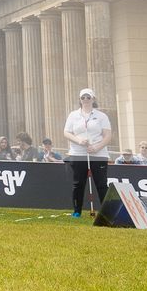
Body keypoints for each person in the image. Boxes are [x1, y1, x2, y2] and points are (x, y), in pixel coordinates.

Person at [63, 87, 112, 218]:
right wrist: (78, 140)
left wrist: (97, 147)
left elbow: (107, 136)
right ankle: (77, 211)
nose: (85, 100)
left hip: (98, 154)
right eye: (83, 97)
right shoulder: (73, 115)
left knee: (101, 184)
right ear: (80, 100)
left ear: (93, 99)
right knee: (78, 183)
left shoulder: (101, 116)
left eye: (88, 97)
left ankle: (106, 212)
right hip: (78, 153)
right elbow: (67, 132)